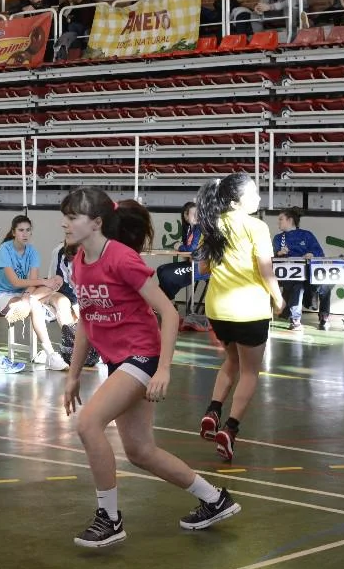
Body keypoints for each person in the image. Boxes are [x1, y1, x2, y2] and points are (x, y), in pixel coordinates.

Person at [62, 187, 241, 548]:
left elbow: (170, 313)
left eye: (72, 217)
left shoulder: (121, 259)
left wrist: (164, 369)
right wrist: (73, 374)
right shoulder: (80, 261)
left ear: (96, 223)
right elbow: (86, 320)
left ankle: (109, 519)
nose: (65, 224)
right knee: (140, 451)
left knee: (88, 423)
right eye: (64, 217)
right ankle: (215, 499)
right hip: (119, 360)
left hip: (142, 355)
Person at [196, 173, 284, 461]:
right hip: (249, 310)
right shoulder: (256, 226)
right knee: (249, 371)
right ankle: (230, 429)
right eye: (253, 193)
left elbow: (204, 268)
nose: (258, 197)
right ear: (236, 201)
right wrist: (278, 298)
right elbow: (266, 269)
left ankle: (213, 411)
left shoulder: (212, 224)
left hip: (218, 310)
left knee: (232, 360)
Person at [0, 214, 68, 372]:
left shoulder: (32, 252)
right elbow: (15, 282)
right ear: (14, 232)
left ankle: (64, 349)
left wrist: (27, 296)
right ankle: (51, 354)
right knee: (37, 302)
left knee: (54, 283)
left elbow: (32, 282)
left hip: (23, 295)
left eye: (28, 230)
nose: (25, 234)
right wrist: (43, 282)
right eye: (21, 230)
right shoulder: (4, 250)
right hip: (3, 295)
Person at [272, 206, 332, 330]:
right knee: (297, 284)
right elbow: (271, 256)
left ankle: (324, 316)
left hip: (309, 272)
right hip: (289, 275)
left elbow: (319, 252)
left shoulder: (306, 235)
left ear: (290, 220)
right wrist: (279, 253)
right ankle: (295, 319)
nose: (278, 222)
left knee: (326, 284)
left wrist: (312, 254)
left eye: (281, 219)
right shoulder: (278, 238)